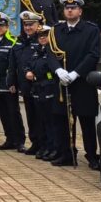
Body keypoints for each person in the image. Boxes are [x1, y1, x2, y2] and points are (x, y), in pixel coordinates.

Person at [49, 0, 101, 169]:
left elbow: (93, 55)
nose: (69, 11)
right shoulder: (56, 30)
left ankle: (92, 156)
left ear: (80, 11)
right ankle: (66, 154)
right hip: (62, 83)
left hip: (82, 83)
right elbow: (49, 54)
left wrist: (75, 73)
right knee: (62, 122)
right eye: (67, 8)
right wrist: (58, 70)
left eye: (73, 8)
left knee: (86, 123)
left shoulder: (91, 30)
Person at [0, 11, 25, 152]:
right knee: (2, 112)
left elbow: (15, 66)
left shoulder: (13, 42)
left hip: (8, 83)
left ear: (7, 27)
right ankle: (9, 139)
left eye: (1, 26)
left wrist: (13, 83)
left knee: (13, 112)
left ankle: (19, 141)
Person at [28, 24, 63, 162]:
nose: (42, 38)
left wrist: (38, 75)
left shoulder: (53, 51)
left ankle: (53, 147)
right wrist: (28, 72)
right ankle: (44, 146)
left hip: (49, 88)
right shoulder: (37, 51)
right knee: (40, 120)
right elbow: (28, 64)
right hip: (37, 89)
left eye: (45, 35)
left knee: (50, 121)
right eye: (40, 36)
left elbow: (50, 70)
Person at [12, 11, 44, 156]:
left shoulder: (41, 40)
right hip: (25, 84)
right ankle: (35, 142)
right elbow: (15, 63)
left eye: (31, 24)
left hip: (39, 84)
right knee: (31, 114)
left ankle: (44, 145)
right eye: (25, 25)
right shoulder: (21, 41)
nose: (28, 27)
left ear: (38, 25)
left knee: (41, 116)